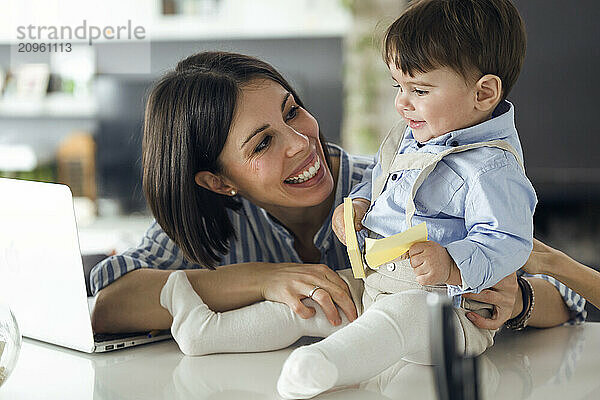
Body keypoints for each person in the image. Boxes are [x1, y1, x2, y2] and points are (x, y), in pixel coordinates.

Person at [89, 49, 584, 379]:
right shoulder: (208, 221)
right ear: (217, 181)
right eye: (263, 143)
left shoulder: (398, 187)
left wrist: (516, 302)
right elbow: (107, 304)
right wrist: (263, 279)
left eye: (291, 111)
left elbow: (564, 299)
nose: (302, 143)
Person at [274, 0, 571, 398]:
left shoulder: (491, 169)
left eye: (419, 89)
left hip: (450, 311)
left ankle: (326, 365)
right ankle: (210, 331)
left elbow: (508, 241)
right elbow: (379, 184)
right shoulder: (410, 137)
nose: (402, 102)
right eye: (399, 86)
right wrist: (359, 207)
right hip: (380, 284)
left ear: (483, 93)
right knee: (316, 299)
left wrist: (451, 264)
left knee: (406, 317)